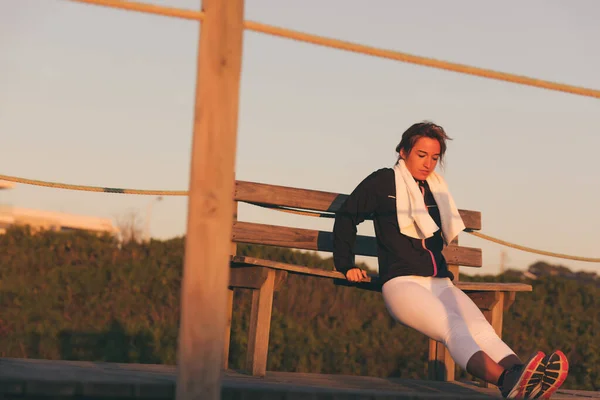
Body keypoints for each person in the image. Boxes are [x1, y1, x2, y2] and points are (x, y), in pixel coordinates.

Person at [332, 121, 569, 399]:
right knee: (453, 327)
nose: (428, 164)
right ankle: (507, 381)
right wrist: (346, 264)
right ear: (402, 151)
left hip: (440, 283)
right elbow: (347, 216)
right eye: (421, 155)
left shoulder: (436, 189)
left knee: (482, 329)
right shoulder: (383, 181)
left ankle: (527, 379)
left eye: (434, 158)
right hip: (402, 283)